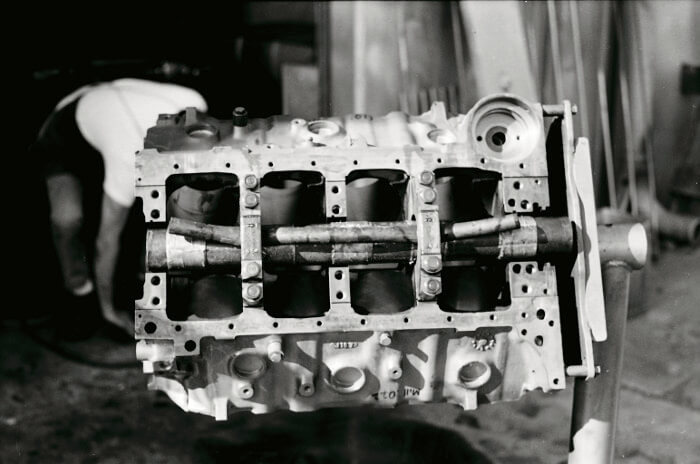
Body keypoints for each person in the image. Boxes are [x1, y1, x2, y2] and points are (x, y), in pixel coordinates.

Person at [33, 77, 207, 338]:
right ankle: (81, 293)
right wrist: (110, 312)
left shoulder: (195, 102)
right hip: (64, 135)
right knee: (67, 219)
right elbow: (106, 241)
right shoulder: (128, 154)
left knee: (161, 206)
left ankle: (145, 282)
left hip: (106, 104)